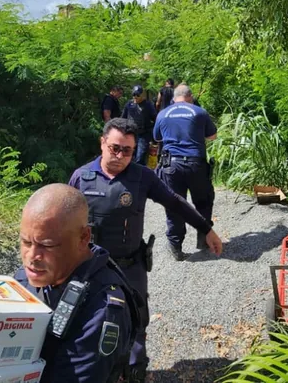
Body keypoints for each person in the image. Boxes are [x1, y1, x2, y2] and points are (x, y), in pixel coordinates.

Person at [68, 118, 223, 382]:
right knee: (87, 323)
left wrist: (205, 228)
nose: (120, 155)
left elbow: (175, 203)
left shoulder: (142, 177)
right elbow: (63, 220)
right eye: (114, 148)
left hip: (131, 266)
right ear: (102, 143)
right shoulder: (81, 178)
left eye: (127, 151)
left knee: (137, 323)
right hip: (90, 268)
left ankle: (135, 372)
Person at [14, 184, 143, 383]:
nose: (32, 257)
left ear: (83, 237)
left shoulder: (101, 311)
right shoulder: (29, 274)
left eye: (47, 245)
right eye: (26, 242)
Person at [153, 84, 218, 259]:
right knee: (203, 201)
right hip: (196, 164)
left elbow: (157, 137)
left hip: (171, 165)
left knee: (174, 204)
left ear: (174, 99)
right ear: (190, 97)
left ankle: (176, 247)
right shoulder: (199, 112)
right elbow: (212, 136)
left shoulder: (163, 113)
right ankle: (203, 238)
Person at [121, 85, 157, 166]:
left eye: (137, 95)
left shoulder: (148, 105)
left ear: (142, 95)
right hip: (131, 134)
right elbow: (122, 118)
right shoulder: (129, 104)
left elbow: (155, 118)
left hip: (143, 135)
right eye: (134, 94)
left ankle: (140, 175)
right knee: (129, 156)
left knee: (140, 157)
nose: (135, 97)